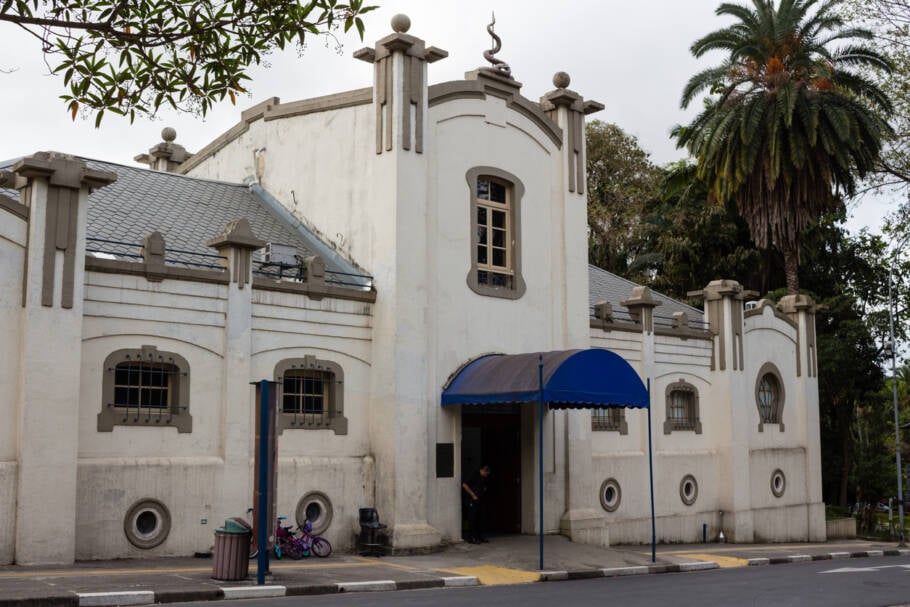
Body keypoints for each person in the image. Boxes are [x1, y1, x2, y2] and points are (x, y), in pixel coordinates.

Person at [462, 464, 491, 544]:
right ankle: (471, 538)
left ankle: (480, 537)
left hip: (480, 500)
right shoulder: (474, 474)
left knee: (481, 518)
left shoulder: (483, 478)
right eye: (486, 473)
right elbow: (464, 485)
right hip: (471, 500)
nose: (486, 475)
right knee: (472, 518)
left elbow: (483, 486)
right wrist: (473, 495)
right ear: (482, 470)